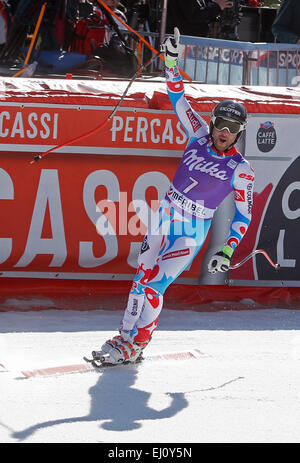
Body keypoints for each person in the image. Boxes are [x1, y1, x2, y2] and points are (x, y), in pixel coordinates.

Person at [91, 27, 254, 366]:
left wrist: (227, 249)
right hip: (165, 215)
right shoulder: (197, 134)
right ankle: (123, 337)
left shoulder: (241, 169)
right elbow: (179, 98)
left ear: (239, 133)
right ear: (211, 122)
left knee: (154, 287)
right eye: (220, 123)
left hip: (192, 228)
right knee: (140, 279)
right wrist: (171, 61)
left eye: (232, 129)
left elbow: (244, 215)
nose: (223, 132)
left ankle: (137, 343)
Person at [166, 0, 234, 38]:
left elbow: (203, 9)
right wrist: (217, 6)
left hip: (190, 39)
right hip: (183, 39)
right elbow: (194, 16)